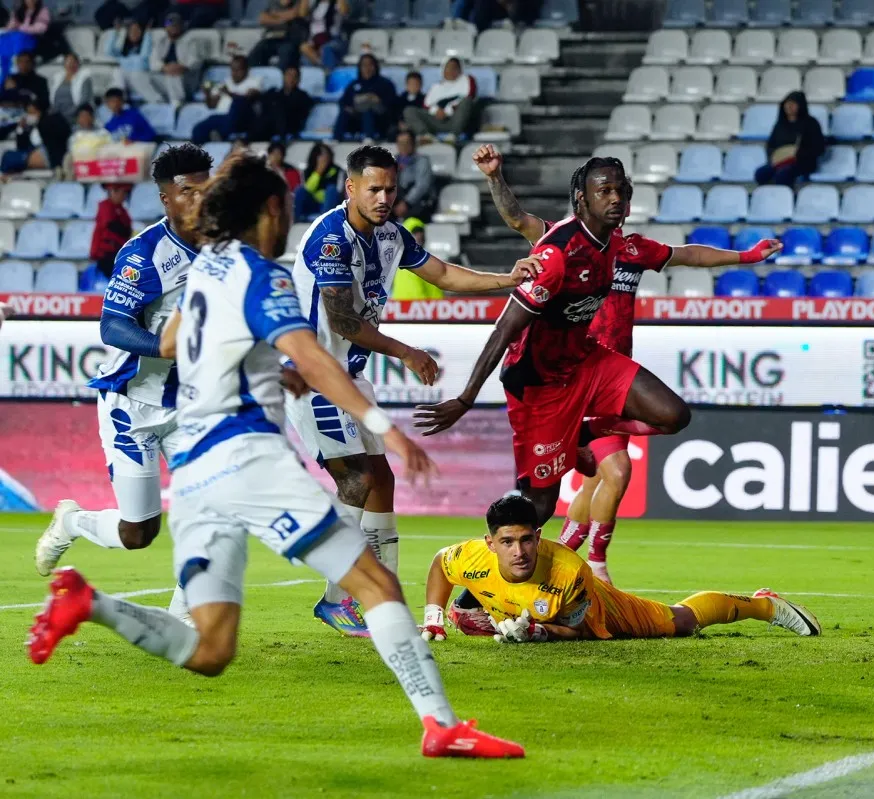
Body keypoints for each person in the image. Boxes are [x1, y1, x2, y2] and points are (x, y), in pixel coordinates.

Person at [26, 152, 525, 760]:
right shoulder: (267, 276)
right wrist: (384, 429)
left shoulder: (205, 267)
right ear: (271, 209)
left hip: (195, 473)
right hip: (246, 457)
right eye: (286, 204)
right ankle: (443, 727)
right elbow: (313, 355)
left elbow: (168, 342)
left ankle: (89, 600)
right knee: (375, 583)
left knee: (210, 649)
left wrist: (262, 371)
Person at [415, 157, 778, 530]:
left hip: (588, 361)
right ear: (582, 200)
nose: (615, 198)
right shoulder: (557, 252)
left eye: (621, 190)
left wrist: (748, 256)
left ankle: (579, 435)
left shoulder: (624, 246)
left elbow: (687, 254)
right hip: (539, 383)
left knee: (674, 415)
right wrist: (465, 398)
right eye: (604, 191)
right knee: (537, 509)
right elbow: (504, 330)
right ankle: (485, 580)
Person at [286, 145, 539, 636]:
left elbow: (442, 274)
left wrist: (506, 279)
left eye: (390, 189)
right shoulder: (331, 239)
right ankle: (338, 598)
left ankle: (380, 591)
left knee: (381, 481)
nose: (384, 198)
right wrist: (407, 352)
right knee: (356, 481)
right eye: (374, 188)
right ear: (351, 188)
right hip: (312, 373)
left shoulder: (391, 236)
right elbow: (342, 319)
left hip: (350, 376)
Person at [34, 144, 213, 624]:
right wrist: (164, 347)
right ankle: (72, 520)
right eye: (187, 191)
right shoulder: (144, 253)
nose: (199, 199)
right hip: (132, 404)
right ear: (166, 199)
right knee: (139, 532)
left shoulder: (227, 250)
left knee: (214, 505)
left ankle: (184, 619)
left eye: (205, 188)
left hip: (192, 406)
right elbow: (112, 326)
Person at [419, 494, 820, 643]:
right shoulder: (471, 556)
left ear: (539, 536)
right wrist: (434, 618)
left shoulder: (569, 571)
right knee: (467, 615)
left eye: (526, 540)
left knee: (679, 622)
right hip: (523, 606)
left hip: (594, 608)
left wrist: (541, 633)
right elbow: (440, 564)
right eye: (507, 542)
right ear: (491, 543)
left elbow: (574, 631)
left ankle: (764, 605)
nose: (518, 551)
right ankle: (473, 612)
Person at [754, 91, 825, 186]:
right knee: (760, 173)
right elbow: (770, 145)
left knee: (783, 174)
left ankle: (785, 197)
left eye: (793, 104)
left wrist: (799, 153)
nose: (789, 106)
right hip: (780, 161)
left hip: (803, 162)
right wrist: (775, 156)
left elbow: (819, 148)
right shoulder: (780, 125)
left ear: (800, 105)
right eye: (787, 103)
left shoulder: (811, 123)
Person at [191, 55, 261, 143]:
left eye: (238, 70)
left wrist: (228, 93)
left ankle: (221, 136)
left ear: (246, 70)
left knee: (238, 103)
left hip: (242, 119)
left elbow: (248, 98)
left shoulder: (254, 82)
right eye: (232, 70)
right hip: (222, 118)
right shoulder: (226, 82)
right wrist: (207, 94)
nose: (234, 73)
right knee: (198, 129)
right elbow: (211, 106)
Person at [403, 57, 476, 141]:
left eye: (454, 68)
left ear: (460, 69)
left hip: (455, 121)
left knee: (466, 102)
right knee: (409, 111)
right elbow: (426, 105)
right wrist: (436, 111)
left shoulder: (467, 80)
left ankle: (453, 137)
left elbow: (470, 96)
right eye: (448, 67)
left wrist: (447, 111)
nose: (451, 70)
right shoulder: (436, 87)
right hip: (436, 120)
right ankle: (426, 136)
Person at [333, 54, 395, 142]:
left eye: (370, 65)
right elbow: (343, 102)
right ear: (360, 67)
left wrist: (378, 100)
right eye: (364, 65)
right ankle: (335, 139)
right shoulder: (354, 84)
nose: (367, 68)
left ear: (375, 66)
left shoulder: (385, 84)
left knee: (367, 111)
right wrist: (348, 108)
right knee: (344, 113)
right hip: (357, 119)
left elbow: (392, 103)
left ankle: (369, 138)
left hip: (379, 119)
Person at [148, 12, 205, 107]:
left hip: (187, 79)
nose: (173, 28)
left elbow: (196, 61)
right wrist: (164, 67)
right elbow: (152, 62)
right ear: (165, 27)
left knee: (173, 75)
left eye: (175, 25)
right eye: (170, 25)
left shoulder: (191, 40)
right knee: (146, 76)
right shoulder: (161, 41)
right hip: (167, 77)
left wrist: (181, 67)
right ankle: (159, 102)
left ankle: (177, 105)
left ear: (181, 26)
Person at [0, 96, 69, 174]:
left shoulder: (47, 123)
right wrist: (21, 129)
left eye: (31, 113)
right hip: (33, 151)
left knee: (9, 158)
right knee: (8, 155)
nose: (29, 116)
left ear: (39, 112)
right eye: (28, 113)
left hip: (48, 156)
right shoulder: (31, 126)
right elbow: (21, 146)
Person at [252, 64, 313, 141]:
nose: (291, 79)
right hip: (270, 124)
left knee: (279, 107)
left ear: (299, 80)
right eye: (289, 75)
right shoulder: (273, 92)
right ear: (283, 77)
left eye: (295, 76)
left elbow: (301, 113)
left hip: (290, 125)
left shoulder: (303, 96)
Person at [90, 182, 132, 278]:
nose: (124, 196)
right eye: (122, 192)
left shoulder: (122, 210)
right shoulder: (105, 206)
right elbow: (114, 226)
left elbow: (127, 230)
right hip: (106, 255)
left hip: (118, 252)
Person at [110, 19, 158, 103]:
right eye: (131, 30)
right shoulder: (122, 54)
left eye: (137, 30)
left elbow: (144, 56)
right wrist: (116, 33)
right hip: (126, 89)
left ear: (142, 32)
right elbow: (109, 51)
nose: (134, 33)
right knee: (116, 71)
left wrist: (147, 34)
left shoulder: (144, 54)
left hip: (142, 87)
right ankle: (120, 101)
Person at [247, 0, 305, 68]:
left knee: (287, 56)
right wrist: (281, 20)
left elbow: (293, 14)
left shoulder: (298, 2)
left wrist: (273, 15)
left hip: (288, 39)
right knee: (255, 54)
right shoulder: (272, 2)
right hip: (270, 38)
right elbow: (262, 18)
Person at [293, 141, 343, 220]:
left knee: (331, 189)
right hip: (312, 203)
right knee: (300, 190)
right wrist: (318, 172)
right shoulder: (308, 170)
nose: (324, 157)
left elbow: (339, 191)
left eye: (326, 154)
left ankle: (325, 222)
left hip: (331, 204)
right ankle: (294, 219)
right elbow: (308, 189)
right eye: (321, 155)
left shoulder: (337, 170)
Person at [393, 129, 433, 220]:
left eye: (406, 143)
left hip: (416, 203)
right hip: (396, 200)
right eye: (400, 143)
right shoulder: (393, 161)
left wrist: (406, 203)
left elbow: (421, 186)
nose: (403, 146)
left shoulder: (422, 161)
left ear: (413, 144)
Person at [299, 0, 349, 69]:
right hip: (315, 39)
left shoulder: (336, 4)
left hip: (333, 38)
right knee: (304, 49)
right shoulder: (315, 3)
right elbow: (302, 14)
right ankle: (322, 67)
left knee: (326, 48)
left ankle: (327, 71)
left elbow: (344, 11)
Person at [49, 52, 92, 121]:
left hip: (75, 115)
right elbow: (53, 99)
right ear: (64, 64)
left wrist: (67, 114)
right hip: (57, 115)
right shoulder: (58, 78)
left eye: (74, 62)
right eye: (68, 62)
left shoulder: (84, 78)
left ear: (78, 63)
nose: (71, 64)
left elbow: (83, 101)